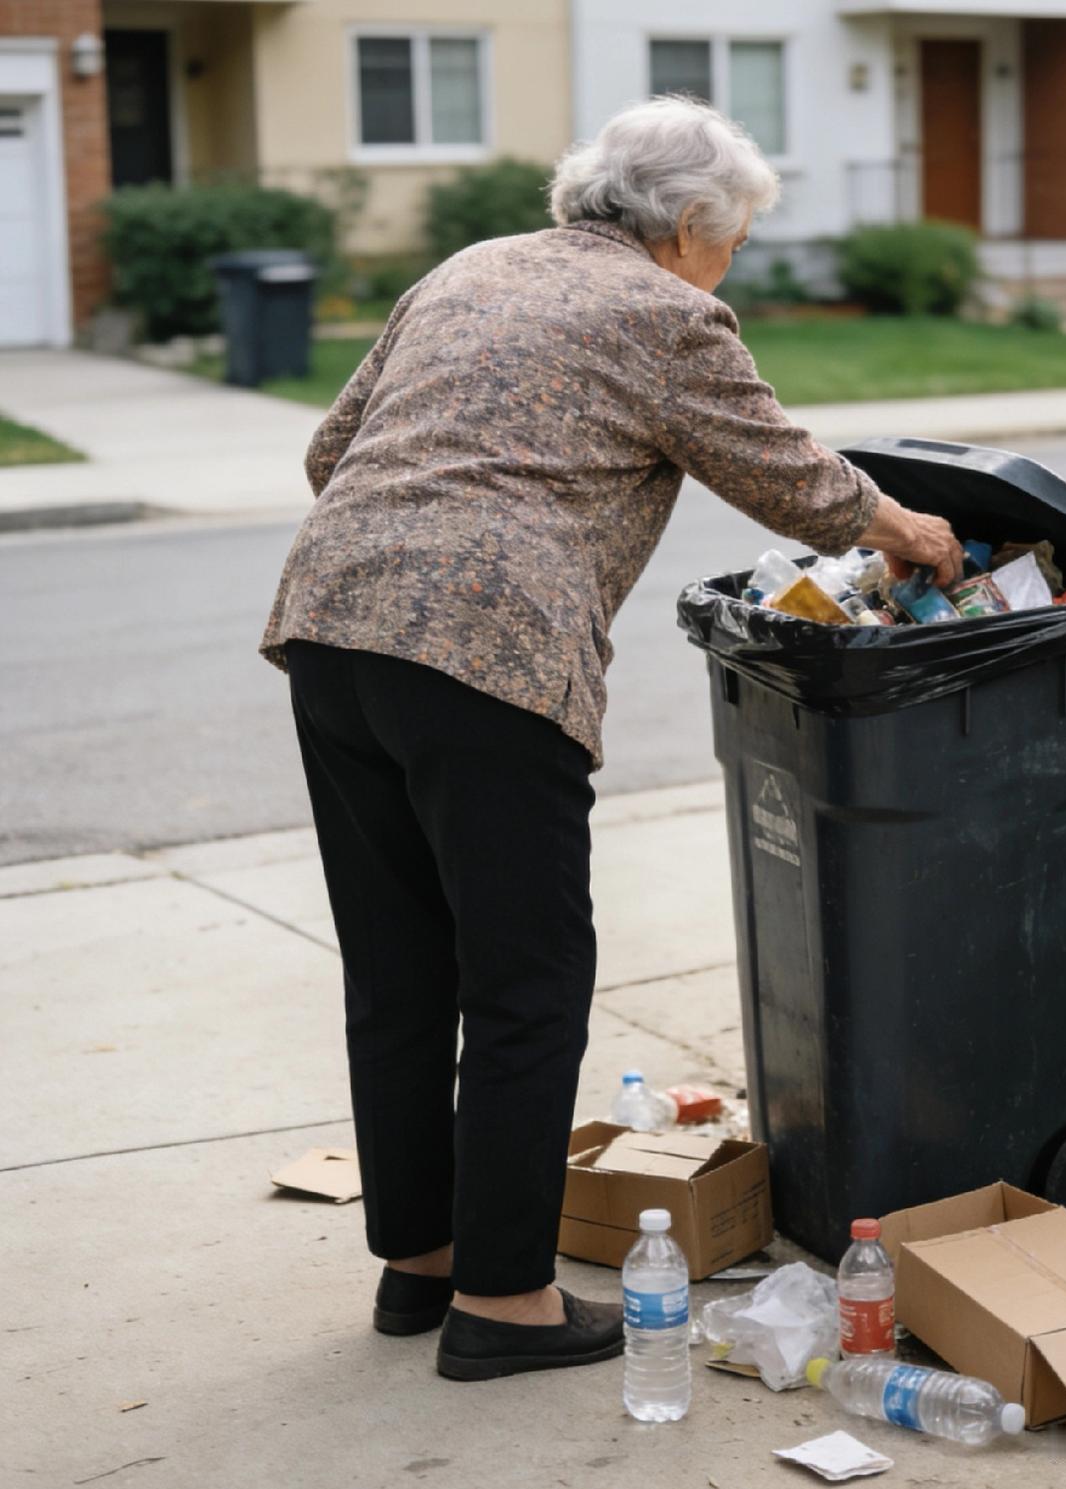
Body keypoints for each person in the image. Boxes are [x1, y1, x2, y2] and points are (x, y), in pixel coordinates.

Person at [260, 97, 962, 1382]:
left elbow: (329, 449)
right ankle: (505, 1302)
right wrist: (907, 530)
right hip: (486, 650)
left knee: (399, 964)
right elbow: (789, 478)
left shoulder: (469, 267)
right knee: (524, 979)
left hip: (328, 624)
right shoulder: (663, 311)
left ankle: (418, 1262)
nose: (729, 262)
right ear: (688, 225)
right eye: (733, 240)